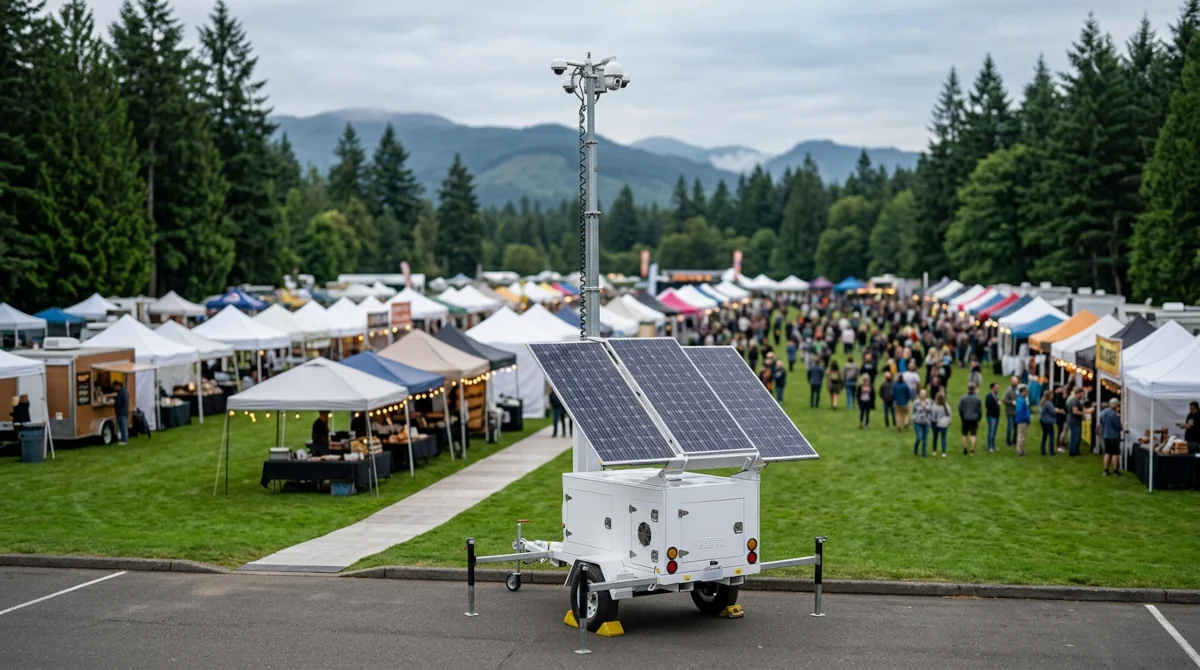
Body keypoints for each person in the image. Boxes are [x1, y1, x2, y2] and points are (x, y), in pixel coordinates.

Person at [1099, 398, 1123, 476]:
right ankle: (1115, 471)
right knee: (1115, 453)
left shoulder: (1103, 412)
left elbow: (1101, 421)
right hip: (1114, 436)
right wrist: (1121, 427)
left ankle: (1105, 470)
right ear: (1116, 405)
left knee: (1107, 452)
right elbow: (1117, 426)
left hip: (1106, 435)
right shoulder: (1115, 414)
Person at [958, 383, 982, 455]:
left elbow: (960, 409)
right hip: (974, 419)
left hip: (965, 418)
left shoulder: (963, 398)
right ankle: (972, 449)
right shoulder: (978, 398)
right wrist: (979, 419)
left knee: (964, 434)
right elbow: (979, 411)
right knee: (973, 434)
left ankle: (965, 447)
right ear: (974, 389)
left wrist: (962, 417)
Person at [931, 390, 952, 457]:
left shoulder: (934, 406)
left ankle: (934, 451)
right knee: (943, 438)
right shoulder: (946, 406)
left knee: (935, 438)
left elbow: (933, 417)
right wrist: (949, 421)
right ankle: (943, 452)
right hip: (944, 424)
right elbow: (950, 415)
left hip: (936, 424)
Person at [912, 389, 932, 457]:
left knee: (925, 439)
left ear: (926, 394)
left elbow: (930, 410)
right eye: (921, 393)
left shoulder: (929, 401)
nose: (923, 395)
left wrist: (925, 405)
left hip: (926, 422)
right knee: (919, 437)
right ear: (919, 394)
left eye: (924, 393)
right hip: (917, 422)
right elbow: (913, 411)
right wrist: (914, 419)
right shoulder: (916, 402)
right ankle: (915, 448)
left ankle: (924, 453)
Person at [1067, 388, 1086, 456]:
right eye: (1082, 394)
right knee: (1075, 436)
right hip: (1074, 421)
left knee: (1074, 436)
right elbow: (1075, 411)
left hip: (1072, 420)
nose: (1083, 395)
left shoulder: (1072, 400)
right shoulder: (1075, 401)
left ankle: (1074, 450)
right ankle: (1073, 451)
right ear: (1078, 393)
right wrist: (1084, 413)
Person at [1038, 392, 1057, 456]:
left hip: (1043, 420)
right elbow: (1053, 412)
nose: (1053, 396)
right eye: (1052, 395)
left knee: (1044, 435)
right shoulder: (1049, 403)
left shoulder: (1042, 402)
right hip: (1048, 421)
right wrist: (1056, 411)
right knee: (1051, 436)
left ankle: (1042, 450)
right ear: (1049, 396)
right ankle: (1051, 451)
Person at [1015, 385, 1031, 457]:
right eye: (1026, 392)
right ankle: (1019, 450)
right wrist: (1025, 418)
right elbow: (1020, 411)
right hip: (1022, 420)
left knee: (1022, 435)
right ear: (1023, 392)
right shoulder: (1021, 400)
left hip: (1023, 420)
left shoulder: (1022, 399)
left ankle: (1021, 449)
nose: (1027, 393)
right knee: (1021, 435)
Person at [985, 382, 1001, 453]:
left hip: (996, 415)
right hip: (991, 416)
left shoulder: (997, 395)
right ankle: (989, 446)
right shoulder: (989, 396)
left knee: (994, 431)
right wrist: (996, 404)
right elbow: (988, 405)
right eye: (996, 387)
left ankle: (993, 445)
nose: (997, 389)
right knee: (991, 431)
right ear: (992, 388)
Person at [1002, 377, 1018, 447]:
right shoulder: (1008, 390)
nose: (1015, 383)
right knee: (1010, 426)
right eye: (1014, 381)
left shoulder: (1018, 390)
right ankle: (1008, 441)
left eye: (1016, 381)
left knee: (1016, 427)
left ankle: (1015, 440)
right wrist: (1012, 402)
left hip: (1017, 412)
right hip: (1010, 412)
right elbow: (1004, 400)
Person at [113, 380, 129, 445]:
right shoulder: (125, 392)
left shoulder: (121, 393)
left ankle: (124, 440)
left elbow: (118, 402)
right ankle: (124, 439)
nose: (114, 388)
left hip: (121, 411)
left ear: (118, 386)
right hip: (124, 411)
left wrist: (114, 402)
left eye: (115, 387)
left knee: (122, 426)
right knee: (123, 426)